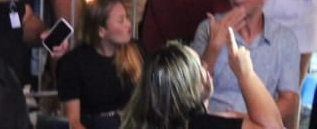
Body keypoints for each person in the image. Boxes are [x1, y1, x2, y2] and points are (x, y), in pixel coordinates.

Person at [190, 0, 302, 124]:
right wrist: (215, 46)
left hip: (258, 123)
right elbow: (191, 90)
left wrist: (248, 120)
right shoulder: (209, 27)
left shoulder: (284, 38)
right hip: (214, 121)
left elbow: (289, 100)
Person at [120, 38, 285, 129]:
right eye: (199, 65)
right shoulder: (203, 125)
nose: (206, 68)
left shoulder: (141, 121)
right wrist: (246, 74)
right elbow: (275, 127)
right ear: (189, 85)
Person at [56, 0, 142, 129]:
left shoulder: (136, 52)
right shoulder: (74, 63)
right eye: (121, 20)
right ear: (101, 31)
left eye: (127, 18)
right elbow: (73, 122)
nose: (128, 24)